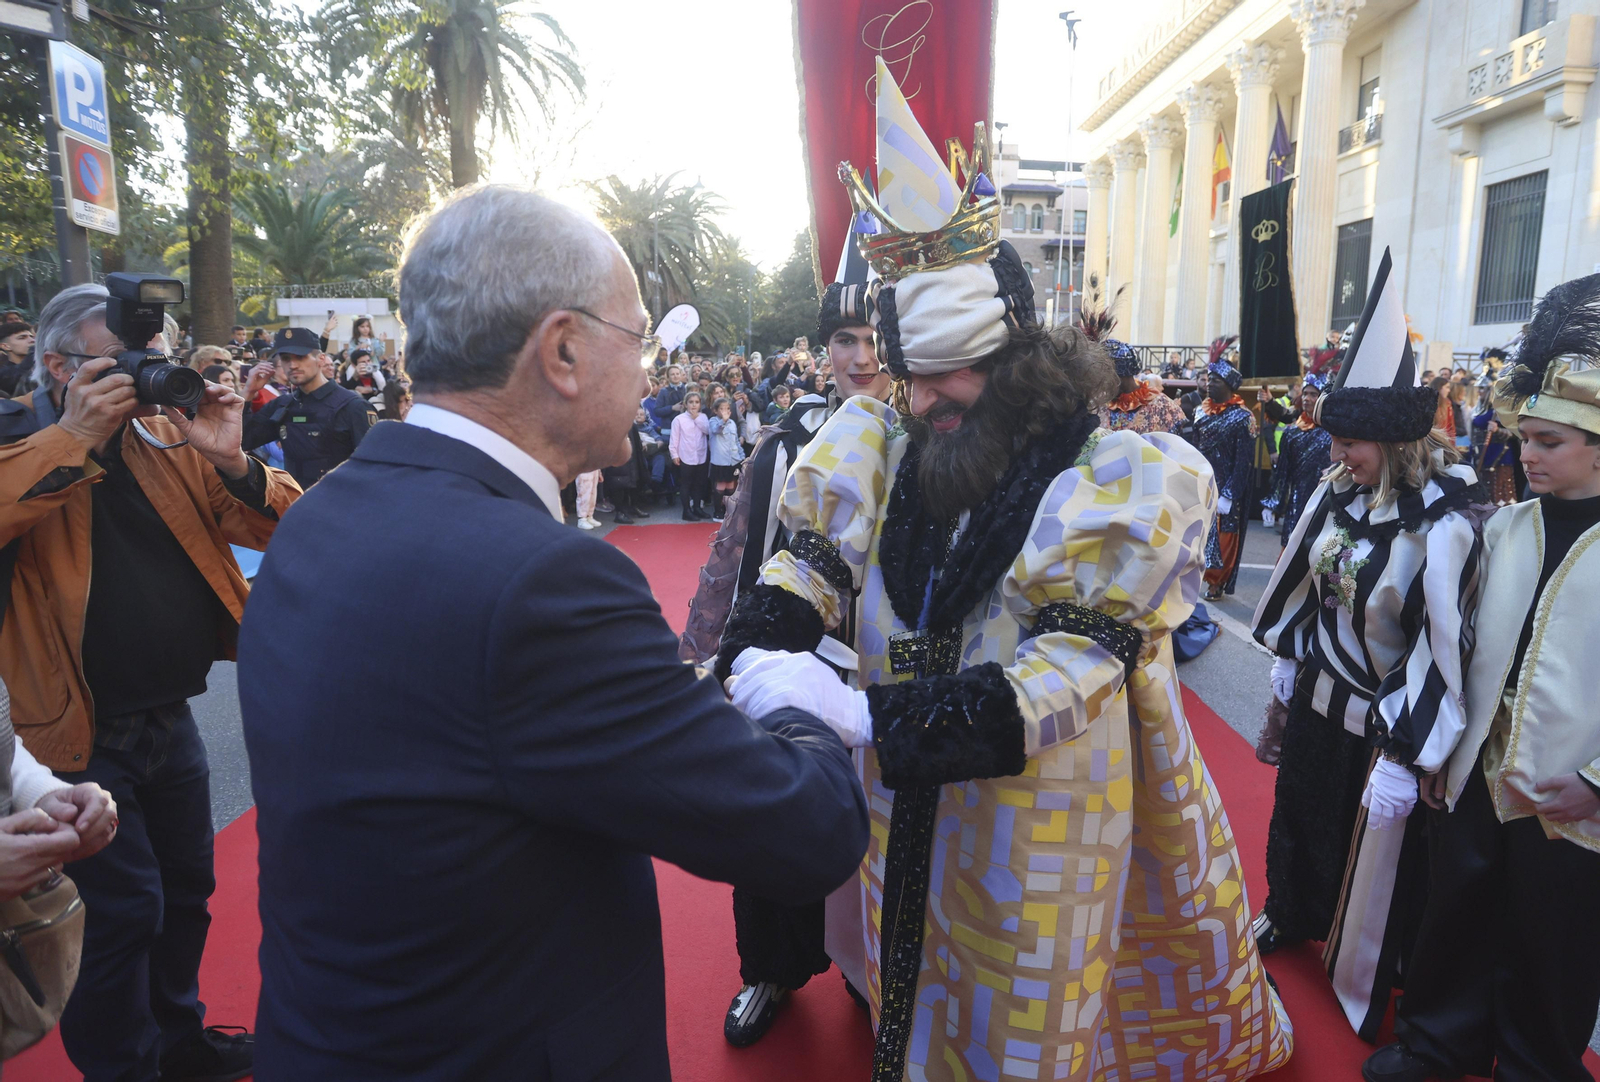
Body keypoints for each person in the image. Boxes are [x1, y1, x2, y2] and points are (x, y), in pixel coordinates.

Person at [715, 93, 1291, 1080]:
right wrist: (762, 638)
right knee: (907, 984)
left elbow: (1073, 672)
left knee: (1017, 1027)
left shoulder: (1114, 480)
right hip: (900, 802)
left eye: (949, 371)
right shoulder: (884, 440)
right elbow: (807, 561)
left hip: (1041, 815)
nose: (923, 398)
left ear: (1017, 355)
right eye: (910, 373)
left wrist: (866, 717)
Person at [237, 184, 869, 1082]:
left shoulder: (323, 511)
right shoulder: (541, 583)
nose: (649, 374)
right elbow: (806, 833)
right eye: (639, 339)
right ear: (564, 350)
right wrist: (795, 698)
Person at [1, 282, 301, 1082]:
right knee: (121, 912)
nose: (145, 375)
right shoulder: (17, 433)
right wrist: (74, 436)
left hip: (170, 716)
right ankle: (125, 1068)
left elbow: (285, 527)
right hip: (71, 729)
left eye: (153, 358)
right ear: (59, 366)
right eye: (122, 361)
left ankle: (180, 1045)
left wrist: (231, 456)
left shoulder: (167, 437)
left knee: (186, 891)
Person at [1362, 274, 1600, 1082]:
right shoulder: (1502, 529)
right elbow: (1453, 647)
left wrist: (1596, 785)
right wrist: (1436, 750)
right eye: (1524, 438)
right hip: (1474, 771)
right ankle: (1438, 1045)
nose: (1525, 455)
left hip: (1569, 792)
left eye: (1548, 443)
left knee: (1554, 942)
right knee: (1455, 915)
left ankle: (1536, 1067)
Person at [1251, 251, 1484, 1040]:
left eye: (1350, 442)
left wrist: (1409, 747)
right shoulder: (1338, 491)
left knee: (1380, 853)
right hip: (1319, 697)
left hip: (1382, 723)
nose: (1336, 455)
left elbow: (1444, 644)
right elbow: (1299, 578)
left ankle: (1369, 965)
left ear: (1396, 442)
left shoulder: (1445, 523)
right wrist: (1290, 656)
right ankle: (1291, 910)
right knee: (1299, 813)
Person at [681, 276, 891, 1045]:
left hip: (890, 677)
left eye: (876, 340)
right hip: (792, 663)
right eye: (845, 340)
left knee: (888, 835)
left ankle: (876, 975)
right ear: (823, 350)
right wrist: (717, 654)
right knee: (776, 825)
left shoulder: (939, 440)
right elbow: (741, 556)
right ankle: (771, 968)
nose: (861, 357)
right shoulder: (787, 442)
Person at [241, 327, 377, 489]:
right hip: (296, 499)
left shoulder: (353, 406)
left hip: (341, 499)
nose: (292, 365)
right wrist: (248, 392)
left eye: (300, 357)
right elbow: (244, 439)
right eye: (286, 358)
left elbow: (374, 466)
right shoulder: (283, 405)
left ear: (320, 359)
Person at [1192, 344, 1257, 600]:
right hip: (1202, 484)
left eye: (1216, 380)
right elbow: (1194, 449)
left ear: (1229, 386)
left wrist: (1229, 494)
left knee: (1223, 537)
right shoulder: (1200, 412)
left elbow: (1244, 462)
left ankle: (1216, 582)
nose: (1209, 384)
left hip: (1227, 488)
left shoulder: (1243, 417)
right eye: (1208, 379)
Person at [1272, 368, 1333, 544]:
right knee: (1291, 545)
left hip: (1325, 502)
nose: (1307, 398)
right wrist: (1274, 502)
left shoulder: (1334, 432)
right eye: (1305, 393)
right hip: (1297, 502)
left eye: (1313, 394)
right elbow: (1283, 473)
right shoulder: (1292, 432)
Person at [670, 389, 711, 521]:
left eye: (696, 402)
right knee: (686, 484)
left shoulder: (703, 417)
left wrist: (696, 418)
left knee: (699, 483)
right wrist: (674, 454)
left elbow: (707, 431)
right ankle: (686, 510)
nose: (694, 405)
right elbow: (674, 439)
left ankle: (697, 508)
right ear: (685, 404)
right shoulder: (679, 419)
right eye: (691, 402)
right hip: (685, 455)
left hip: (700, 455)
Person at [706, 397, 743, 521]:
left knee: (731, 485)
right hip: (720, 461)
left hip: (733, 460)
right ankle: (718, 512)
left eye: (727, 409)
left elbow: (736, 441)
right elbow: (716, 430)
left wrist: (742, 457)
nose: (725, 411)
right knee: (720, 486)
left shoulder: (732, 423)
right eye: (722, 409)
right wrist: (723, 420)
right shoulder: (713, 421)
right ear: (716, 411)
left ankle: (729, 512)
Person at [0, 322, 35, 397]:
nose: (32, 340)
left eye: (32, 337)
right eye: (22, 338)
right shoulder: (4, 374)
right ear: (5, 346)